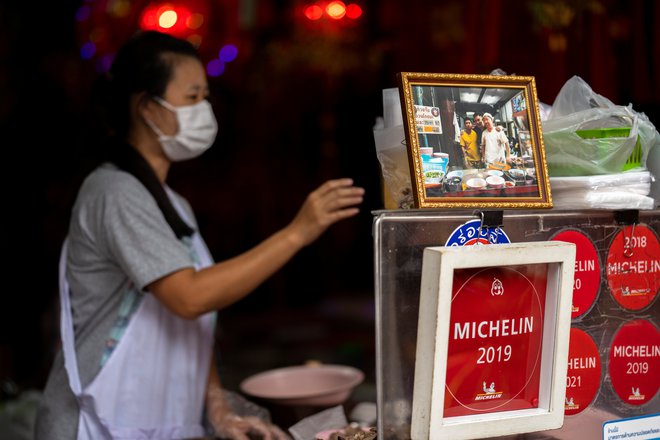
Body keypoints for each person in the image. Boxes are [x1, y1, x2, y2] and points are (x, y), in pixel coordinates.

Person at [34, 30, 365, 440]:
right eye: (191, 98)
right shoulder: (115, 193)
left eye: (204, 97)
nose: (204, 109)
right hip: (97, 425)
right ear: (148, 109)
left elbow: (194, 321)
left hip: (161, 420)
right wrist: (297, 233)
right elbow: (190, 297)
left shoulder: (173, 203)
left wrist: (219, 409)